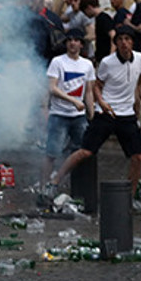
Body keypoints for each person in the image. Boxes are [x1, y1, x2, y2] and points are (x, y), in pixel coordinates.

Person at [49, 27, 141, 197]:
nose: (124, 43)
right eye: (120, 40)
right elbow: (97, 84)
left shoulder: (139, 58)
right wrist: (101, 102)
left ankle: (130, 195)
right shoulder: (107, 62)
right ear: (116, 43)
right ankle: (55, 181)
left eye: (127, 39)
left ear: (132, 42)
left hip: (127, 114)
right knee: (85, 151)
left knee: (137, 156)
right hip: (106, 112)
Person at [40, 28, 95, 190]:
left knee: (80, 153)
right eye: (69, 40)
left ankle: (76, 187)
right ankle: (43, 188)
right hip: (59, 114)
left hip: (79, 116)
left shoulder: (87, 65)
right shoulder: (58, 62)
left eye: (76, 40)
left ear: (81, 44)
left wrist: (91, 115)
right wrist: (72, 100)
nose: (72, 43)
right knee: (51, 153)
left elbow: (89, 91)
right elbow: (52, 88)